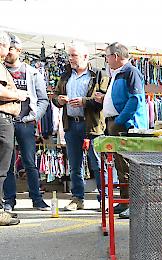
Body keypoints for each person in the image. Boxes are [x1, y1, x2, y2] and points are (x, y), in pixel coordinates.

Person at [52, 42, 109, 211]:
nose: (70, 59)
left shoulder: (98, 75)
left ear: (85, 57)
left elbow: (104, 99)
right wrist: (59, 100)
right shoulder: (65, 76)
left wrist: (84, 102)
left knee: (97, 163)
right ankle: (77, 198)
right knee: (75, 165)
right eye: (69, 55)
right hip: (71, 124)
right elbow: (55, 96)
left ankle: (104, 199)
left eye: (74, 55)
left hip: (92, 125)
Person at [95, 42, 148, 219]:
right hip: (115, 122)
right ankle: (125, 201)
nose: (106, 60)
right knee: (120, 165)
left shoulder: (130, 72)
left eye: (107, 56)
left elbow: (135, 100)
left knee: (127, 165)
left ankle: (133, 205)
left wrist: (120, 120)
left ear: (116, 56)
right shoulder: (118, 73)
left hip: (124, 125)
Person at [3, 34, 50, 212]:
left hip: (25, 123)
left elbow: (43, 100)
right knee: (7, 163)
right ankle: (9, 200)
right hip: (5, 122)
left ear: (20, 51)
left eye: (11, 49)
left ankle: (36, 199)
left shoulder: (32, 72)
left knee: (30, 162)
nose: (8, 52)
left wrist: (33, 116)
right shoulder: (1, 70)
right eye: (6, 48)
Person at [0, 31, 25, 226]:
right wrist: (18, 95)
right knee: (1, 167)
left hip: (5, 119)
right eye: (6, 47)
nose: (8, 51)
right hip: (2, 119)